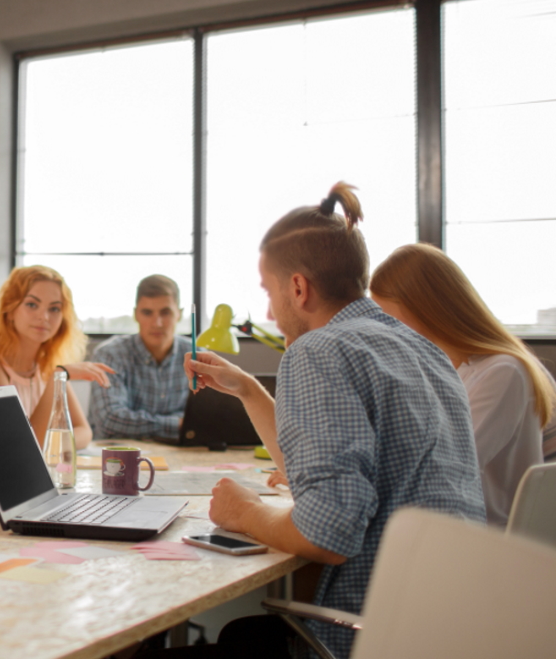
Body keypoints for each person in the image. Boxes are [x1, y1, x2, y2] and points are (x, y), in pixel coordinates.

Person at [170, 183, 485, 659]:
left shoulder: (318, 351)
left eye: (269, 293)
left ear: (298, 287)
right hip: (444, 626)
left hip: (365, 634)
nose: (271, 313)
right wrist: (250, 392)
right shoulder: (423, 350)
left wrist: (245, 513)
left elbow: (328, 533)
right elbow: (321, 472)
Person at [370, 243, 556, 526]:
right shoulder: (448, 368)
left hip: (484, 544)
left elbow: (446, 469)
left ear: (426, 308)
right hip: (455, 531)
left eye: (388, 316)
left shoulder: (504, 372)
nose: (384, 328)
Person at [0, 265, 113, 458]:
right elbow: (24, 449)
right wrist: (58, 377)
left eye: (55, 308)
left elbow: (84, 431)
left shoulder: (47, 367)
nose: (44, 317)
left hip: (16, 470)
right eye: (32, 304)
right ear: (10, 309)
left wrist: (52, 443)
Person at [88, 275, 190, 440]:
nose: (157, 323)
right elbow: (110, 420)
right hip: (117, 458)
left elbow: (206, 420)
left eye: (166, 312)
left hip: (183, 457)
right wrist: (178, 424)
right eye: (147, 313)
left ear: (179, 314)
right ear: (136, 314)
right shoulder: (110, 354)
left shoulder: (196, 356)